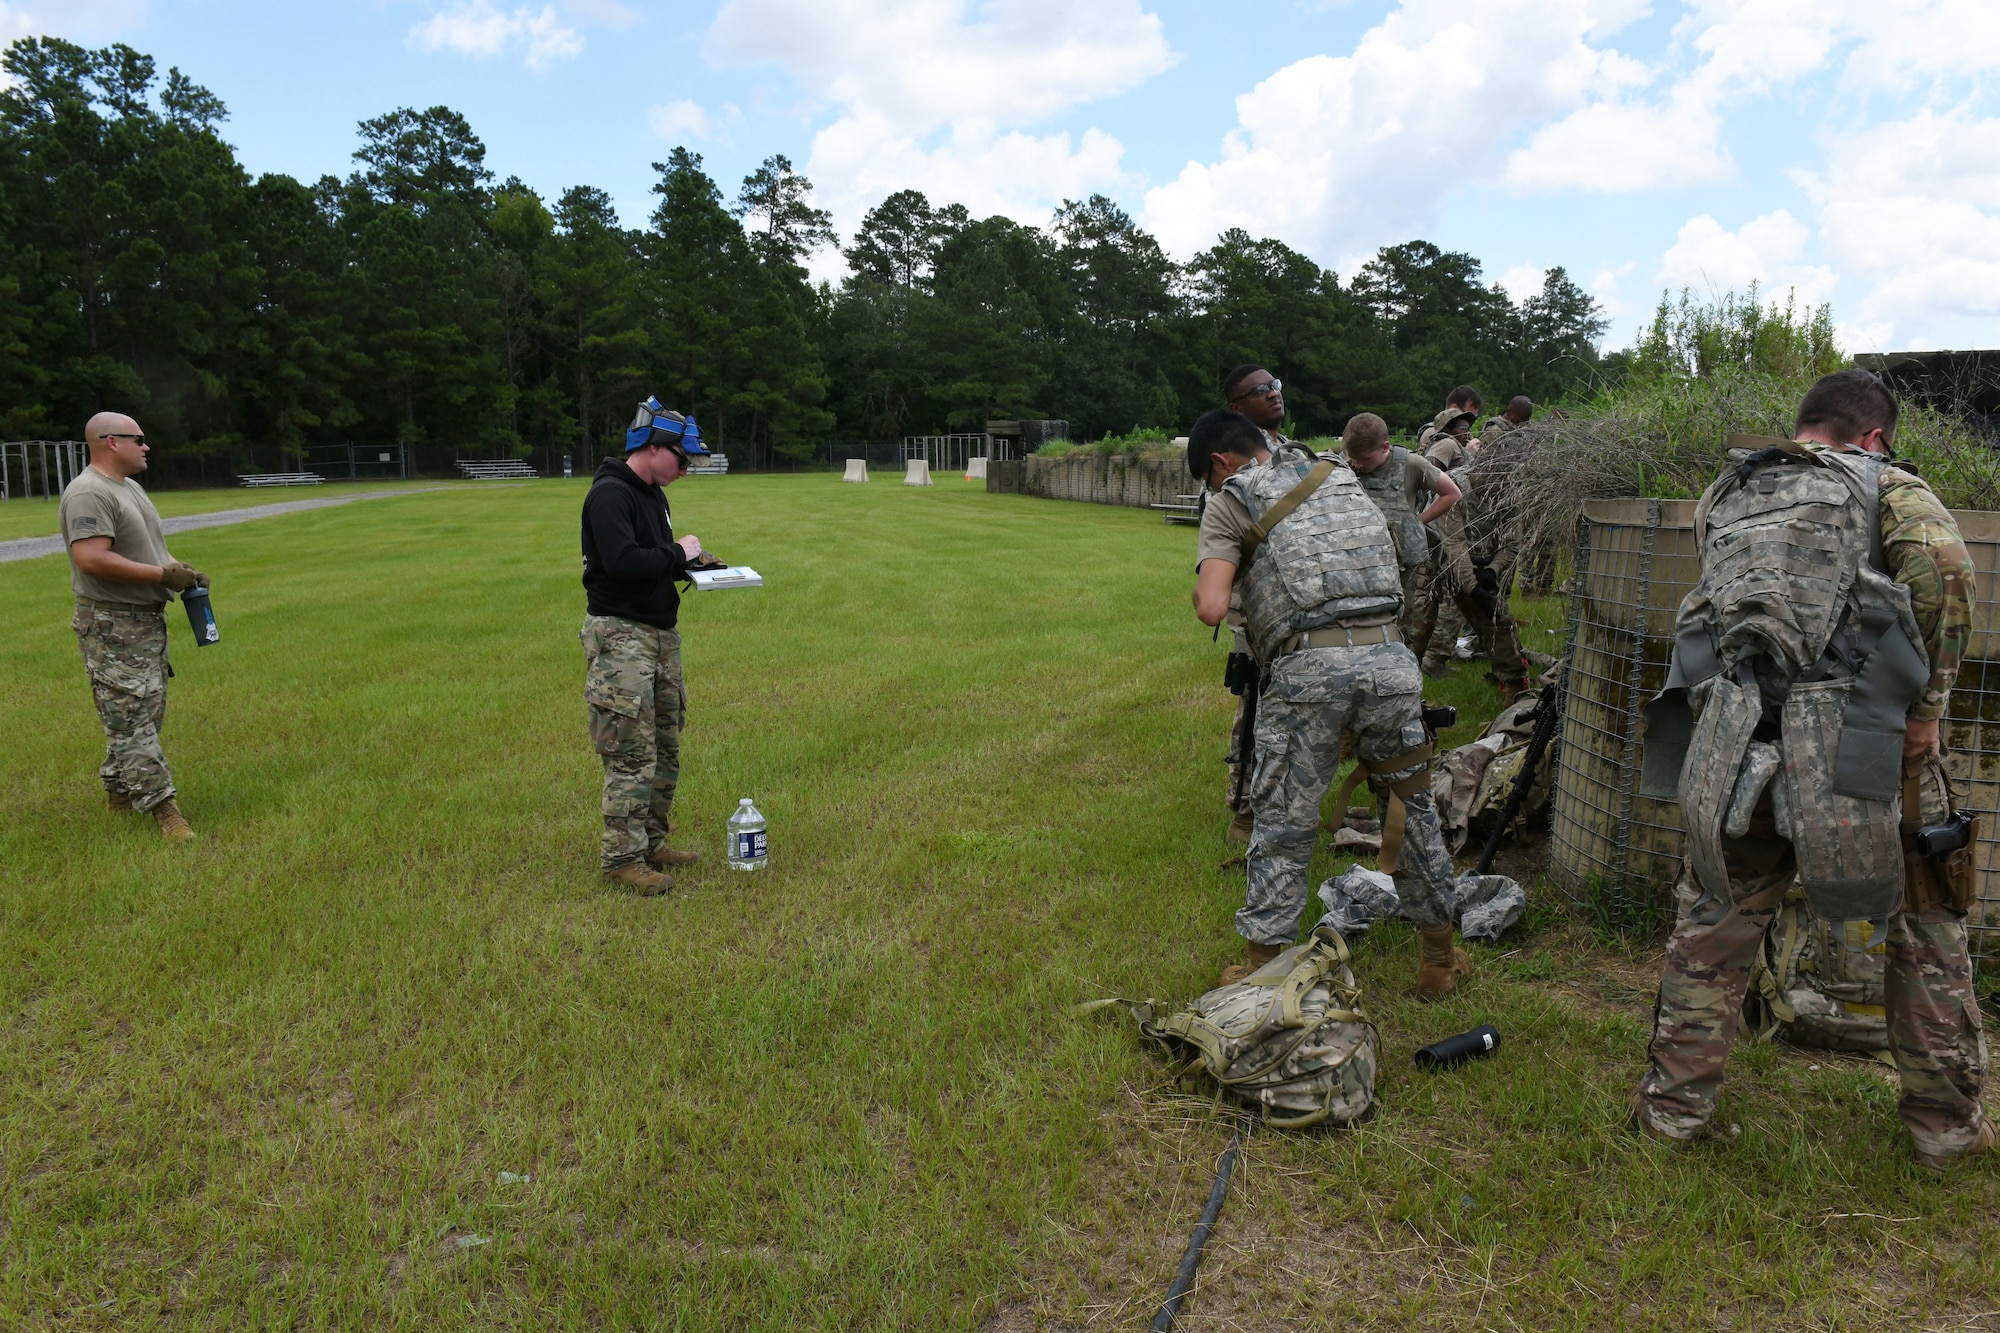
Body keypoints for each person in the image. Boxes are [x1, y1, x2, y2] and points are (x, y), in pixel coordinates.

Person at [1633, 369, 1991, 1172]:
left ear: (1805, 425)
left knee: (1715, 924)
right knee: (1925, 927)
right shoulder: (1889, 489)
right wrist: (1928, 707)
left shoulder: (1730, 490)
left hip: (1740, 740)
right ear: (1872, 437)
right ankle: (1945, 1131)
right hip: (1862, 748)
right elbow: (1948, 574)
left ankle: (1673, 1113)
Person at [1189, 408, 1471, 998]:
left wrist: (1234, 566)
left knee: (1284, 824)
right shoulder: (1339, 475)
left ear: (1222, 462)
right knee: (1410, 812)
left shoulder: (1231, 500)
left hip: (1309, 673)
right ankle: (1439, 961)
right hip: (1392, 664)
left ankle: (1264, 970)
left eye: (1211, 479)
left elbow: (1212, 606)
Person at [580, 396, 713, 896]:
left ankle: (652, 842)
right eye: (681, 460)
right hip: (622, 637)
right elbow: (622, 562)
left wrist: (694, 565)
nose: (684, 470)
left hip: (659, 635)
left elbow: (653, 557)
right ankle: (620, 859)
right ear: (654, 448)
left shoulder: (653, 493)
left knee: (666, 744)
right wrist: (677, 552)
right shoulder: (611, 494)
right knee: (630, 752)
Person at [60, 412, 207, 842]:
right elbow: (91, 557)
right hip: (111, 622)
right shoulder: (88, 493)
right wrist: (162, 577)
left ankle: (119, 794)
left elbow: (148, 550)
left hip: (144, 624)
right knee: (131, 721)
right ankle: (168, 814)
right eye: (138, 439)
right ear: (110, 442)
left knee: (140, 715)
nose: (146, 447)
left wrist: (184, 572)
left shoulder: (129, 488)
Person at [1215, 365, 1314, 844]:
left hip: (1305, 607)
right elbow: (1224, 540)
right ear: (1237, 407)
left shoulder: (1294, 453)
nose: (1274, 393)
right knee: (1254, 710)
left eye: (1276, 385)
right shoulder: (1231, 459)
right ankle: (1246, 811)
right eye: (1260, 390)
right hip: (1258, 612)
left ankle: (1289, 803)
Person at [1342, 412, 1461, 646]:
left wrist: (1418, 521)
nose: (1358, 465)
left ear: (1385, 447)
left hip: (1405, 569)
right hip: (1361, 565)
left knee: (1406, 631)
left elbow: (1452, 493)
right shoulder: (1347, 466)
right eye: (1353, 458)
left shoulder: (1410, 464)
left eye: (1364, 459)